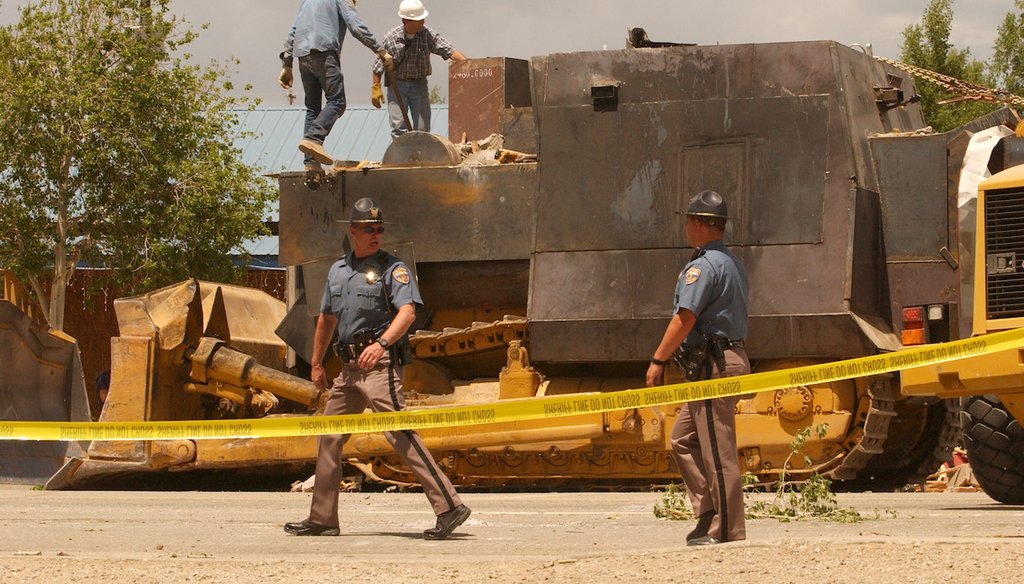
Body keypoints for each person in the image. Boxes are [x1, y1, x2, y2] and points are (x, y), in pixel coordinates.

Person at [284, 197, 471, 539]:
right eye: (369, 229)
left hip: (379, 363)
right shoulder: (337, 271)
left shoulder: (392, 268)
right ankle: (323, 518)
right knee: (328, 435)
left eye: (379, 229)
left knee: (398, 432)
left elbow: (408, 313)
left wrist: (382, 343)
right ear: (353, 231)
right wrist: (315, 362)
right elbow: (326, 319)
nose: (376, 234)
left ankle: (450, 506)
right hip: (348, 368)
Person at [645, 190, 750, 546]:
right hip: (720, 360)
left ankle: (726, 528)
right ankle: (707, 511)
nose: (687, 227)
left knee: (718, 449)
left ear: (701, 224)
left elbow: (685, 317)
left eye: (690, 220)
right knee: (683, 439)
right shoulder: (731, 262)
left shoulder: (703, 266)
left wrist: (658, 359)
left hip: (714, 365)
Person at [278, 0, 394, 171]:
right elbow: (355, 26)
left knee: (312, 108)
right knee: (337, 102)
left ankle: (311, 164)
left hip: (303, 56)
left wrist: (287, 64)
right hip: (324, 53)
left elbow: (293, 32)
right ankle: (313, 139)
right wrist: (380, 50)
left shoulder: (307, 1)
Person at [370, 0, 466, 139]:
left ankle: (421, 157)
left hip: (419, 84)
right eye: (418, 19)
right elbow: (378, 66)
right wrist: (376, 87)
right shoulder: (391, 38)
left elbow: (448, 50)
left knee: (422, 127)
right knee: (399, 127)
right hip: (397, 85)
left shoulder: (427, 34)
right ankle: (402, 158)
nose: (423, 21)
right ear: (406, 20)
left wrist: (469, 64)